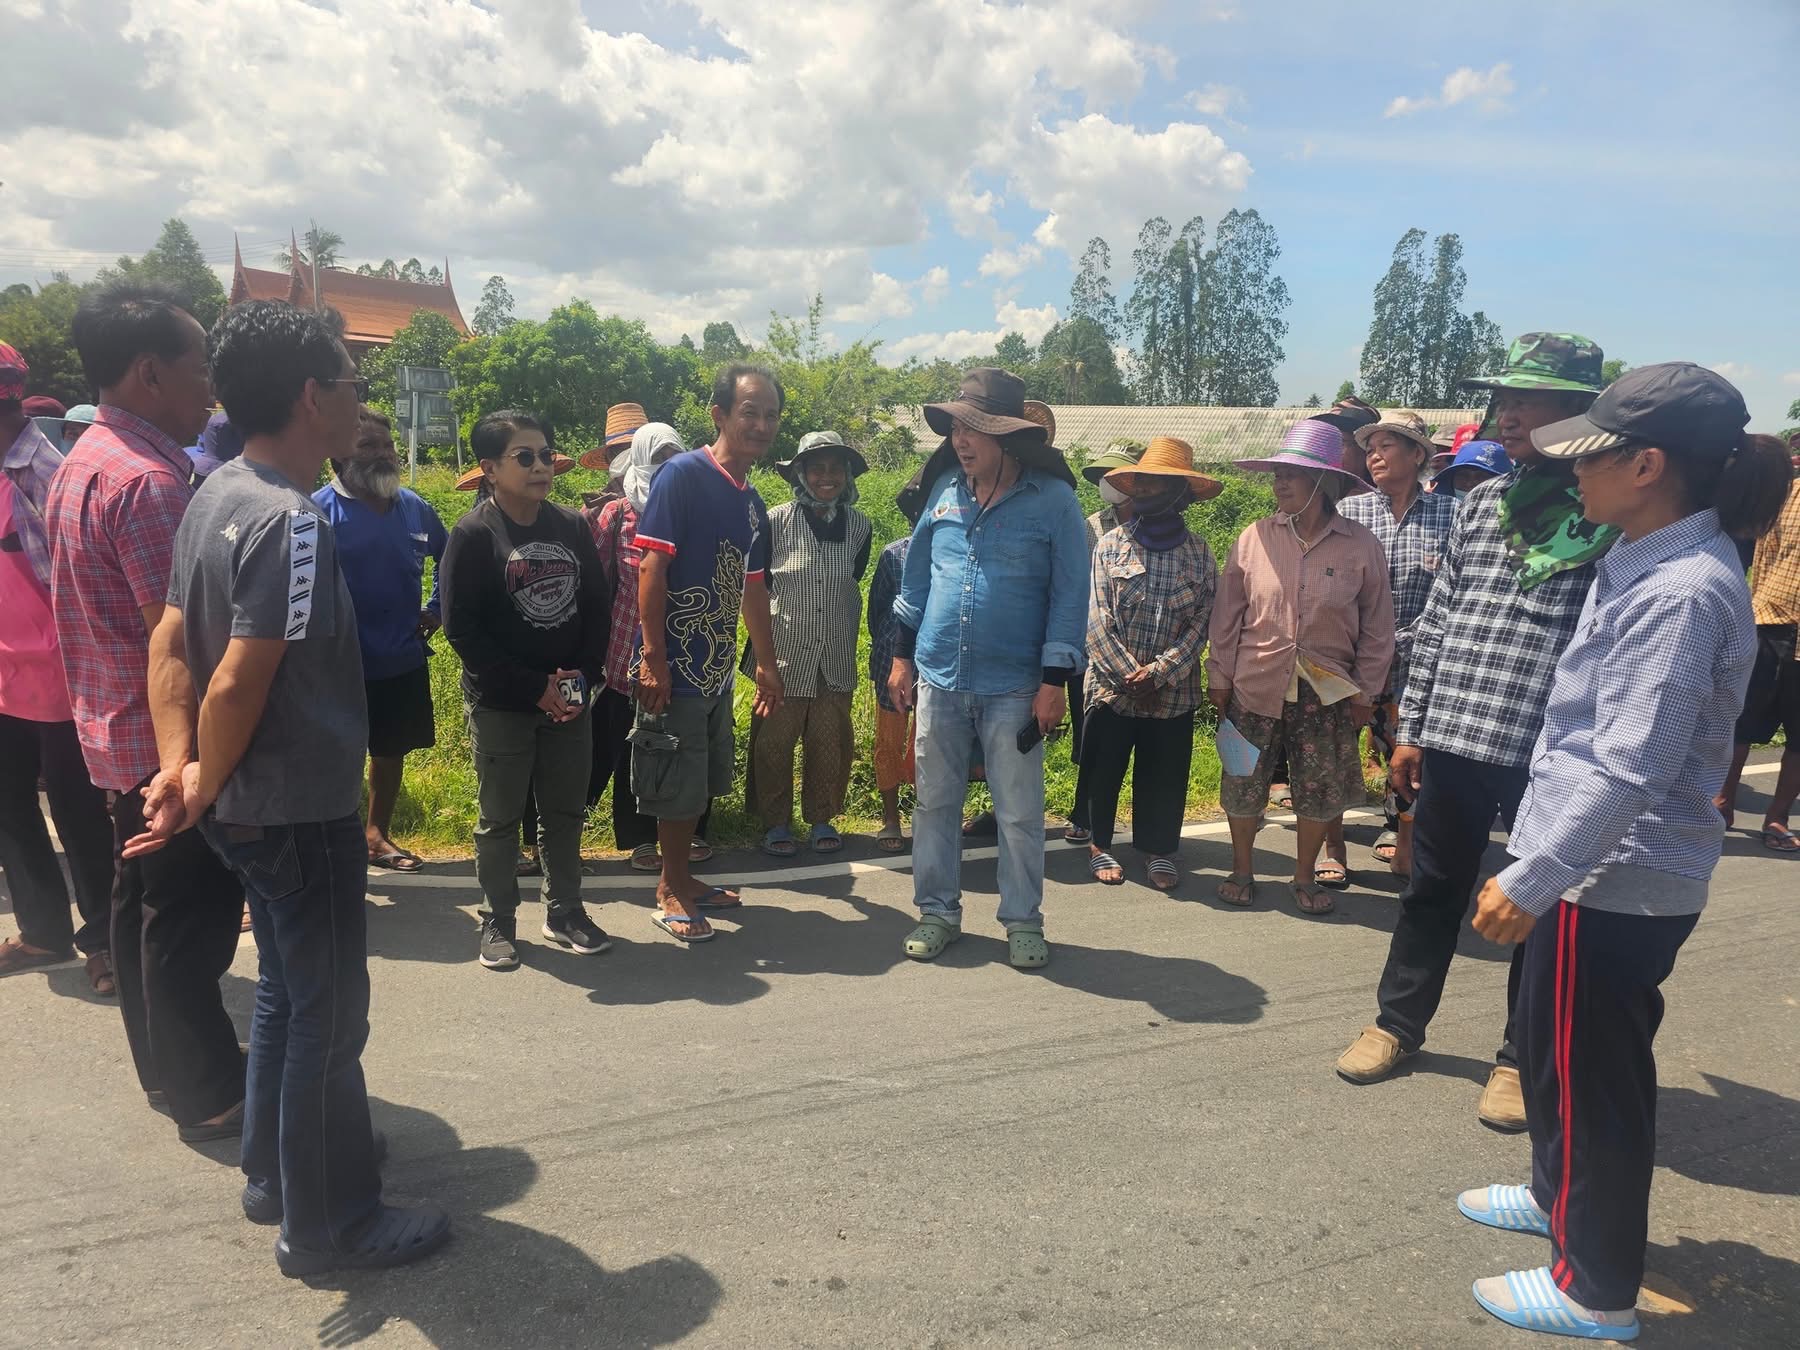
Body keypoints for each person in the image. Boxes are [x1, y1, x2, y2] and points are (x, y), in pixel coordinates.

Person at [1454, 363, 1788, 1341]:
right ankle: (1555, 1193)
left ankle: (1593, 1288)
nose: (1573, 474)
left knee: (1596, 1083)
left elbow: (1627, 766)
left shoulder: (1682, 591)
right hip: (1589, 863)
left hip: (1611, 877)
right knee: (1556, 1063)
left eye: (1588, 457)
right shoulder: (1642, 556)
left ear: (1646, 465)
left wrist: (1536, 875)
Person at [131, 298, 452, 1277]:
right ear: (313, 397)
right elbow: (236, 673)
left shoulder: (213, 491)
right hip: (296, 811)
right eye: (352, 384)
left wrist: (183, 770)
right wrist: (199, 777)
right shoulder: (290, 520)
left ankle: (274, 1167)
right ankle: (331, 1222)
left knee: (282, 994)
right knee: (327, 1017)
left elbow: (173, 641)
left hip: (242, 808)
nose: (362, 402)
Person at [1335, 332, 1613, 1133]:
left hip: (1548, 750)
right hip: (1455, 730)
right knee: (1431, 890)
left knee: (1536, 904)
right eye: (1506, 399)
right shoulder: (1483, 501)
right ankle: (1397, 1024)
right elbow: (1442, 617)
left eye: (1533, 400)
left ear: (1582, 416)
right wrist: (1412, 727)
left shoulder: (1606, 513)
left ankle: (1520, 1058)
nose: (1510, 412)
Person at [43, 280, 245, 1139]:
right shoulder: (153, 484)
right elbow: (186, 639)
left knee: (138, 905)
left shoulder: (81, 461)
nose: (211, 384)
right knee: (187, 918)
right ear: (149, 372)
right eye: (200, 364)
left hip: (106, 725)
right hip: (163, 743)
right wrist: (199, 758)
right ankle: (209, 1091)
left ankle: (165, 1070)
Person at [888, 367, 1088, 970]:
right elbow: (917, 578)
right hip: (940, 678)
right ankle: (937, 913)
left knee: (1019, 812)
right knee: (934, 804)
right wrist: (900, 658)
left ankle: (1023, 921)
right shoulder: (945, 490)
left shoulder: (1053, 503)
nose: (959, 440)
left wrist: (1054, 682)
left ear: (1004, 436)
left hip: (1014, 686)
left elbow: (1069, 597)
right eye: (955, 429)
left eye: (971, 429)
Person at [443, 410, 612, 969]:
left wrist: (580, 678)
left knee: (565, 813)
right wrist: (531, 686)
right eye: (525, 457)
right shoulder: (472, 535)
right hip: (503, 703)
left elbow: (595, 606)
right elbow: (461, 628)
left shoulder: (571, 525)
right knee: (500, 817)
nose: (541, 466)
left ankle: (564, 909)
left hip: (569, 697)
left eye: (545, 455)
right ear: (490, 468)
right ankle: (498, 917)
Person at [1206, 419, 1394, 915]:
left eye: (1292, 474)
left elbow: (1378, 628)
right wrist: (1219, 670)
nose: (1279, 483)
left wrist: (1366, 692)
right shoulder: (1253, 538)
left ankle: (1305, 876)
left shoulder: (1360, 545)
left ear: (1323, 483)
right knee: (1242, 778)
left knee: (1319, 786)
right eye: (1278, 474)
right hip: (1254, 683)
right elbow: (1228, 613)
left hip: (1327, 691)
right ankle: (1242, 868)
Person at [633, 363, 784, 943]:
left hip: (717, 668)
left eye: (771, 415)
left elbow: (752, 587)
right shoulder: (683, 476)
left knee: (698, 779)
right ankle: (669, 886)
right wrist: (654, 657)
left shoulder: (752, 501)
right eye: (750, 412)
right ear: (720, 415)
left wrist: (764, 664)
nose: (762, 424)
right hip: (675, 664)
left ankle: (685, 877)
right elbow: (652, 566)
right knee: (677, 778)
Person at [0, 344, 115, 993]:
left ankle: (103, 938)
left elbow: (81, 586)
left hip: (63, 677)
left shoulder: (45, 472)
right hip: (4, 677)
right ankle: (42, 930)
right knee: (10, 807)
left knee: (76, 812)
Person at [1075, 437, 1219, 891]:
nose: (1147, 490)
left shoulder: (1200, 553)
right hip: (1112, 689)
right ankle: (1099, 844)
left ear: (1181, 495)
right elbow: (1096, 619)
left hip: (1172, 692)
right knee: (1104, 766)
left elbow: (1202, 624)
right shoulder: (1110, 547)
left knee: (1164, 772)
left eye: (1160, 483)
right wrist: (1128, 674)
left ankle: (1159, 850)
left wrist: (1159, 673)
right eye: (1143, 482)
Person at [312, 407, 448, 872]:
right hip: (337, 665)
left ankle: (376, 836)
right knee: (337, 757)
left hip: (401, 658)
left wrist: (437, 608)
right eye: (367, 446)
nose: (383, 455)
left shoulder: (415, 507)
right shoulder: (315, 512)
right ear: (338, 457)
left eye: (387, 446)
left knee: (390, 752)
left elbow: (451, 560)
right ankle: (334, 842)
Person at [1339, 411, 1456, 879]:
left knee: (1407, 751)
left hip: (1419, 659)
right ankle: (1332, 845)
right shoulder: (1352, 512)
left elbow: (1454, 592)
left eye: (1387, 445)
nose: (1374, 455)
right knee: (1334, 747)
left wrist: (1412, 639)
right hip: (1353, 657)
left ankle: (1403, 835)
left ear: (1418, 455)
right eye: (1370, 448)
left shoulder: (1451, 514)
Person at [751, 430, 872, 857]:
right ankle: (775, 823)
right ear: (800, 473)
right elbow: (759, 585)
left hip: (834, 654)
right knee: (773, 743)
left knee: (830, 741)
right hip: (783, 654)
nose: (827, 476)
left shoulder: (860, 526)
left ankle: (822, 818)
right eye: (817, 468)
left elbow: (852, 578)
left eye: (835, 468)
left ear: (846, 475)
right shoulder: (776, 520)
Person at [585, 420, 689, 872]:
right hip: (623, 651)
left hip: (678, 650)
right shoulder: (616, 514)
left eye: (674, 457)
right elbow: (591, 582)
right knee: (615, 743)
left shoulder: (691, 511)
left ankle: (662, 835)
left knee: (664, 743)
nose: (667, 467)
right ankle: (615, 835)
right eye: (659, 457)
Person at [1714, 438, 1800, 848]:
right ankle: (1722, 801)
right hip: (1768, 619)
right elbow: (1752, 552)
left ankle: (1777, 819)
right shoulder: (1785, 494)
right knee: (1741, 721)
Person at [1064, 438, 1145, 844]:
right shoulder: (1092, 526)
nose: (1109, 484)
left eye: (1116, 476)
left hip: (1146, 652)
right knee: (1091, 733)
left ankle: (1145, 822)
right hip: (1091, 649)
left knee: (1137, 738)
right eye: (1104, 477)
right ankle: (1086, 813)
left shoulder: (1158, 527)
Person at [578, 402, 648, 829]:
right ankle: (564, 827)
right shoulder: (602, 514)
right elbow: (589, 587)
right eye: (619, 451)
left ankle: (638, 833)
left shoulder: (670, 506)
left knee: (641, 747)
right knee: (602, 742)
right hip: (614, 654)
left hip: (662, 656)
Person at [868, 488, 924, 855]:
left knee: (930, 746)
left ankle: (927, 816)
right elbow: (877, 613)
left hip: (940, 668)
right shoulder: (894, 554)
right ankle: (890, 817)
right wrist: (891, 655)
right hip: (893, 663)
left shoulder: (959, 554)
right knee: (888, 741)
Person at [1430, 438, 1509, 501]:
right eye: (1463, 475)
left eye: (1481, 477)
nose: (1469, 483)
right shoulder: (1436, 514)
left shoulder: (1514, 518)